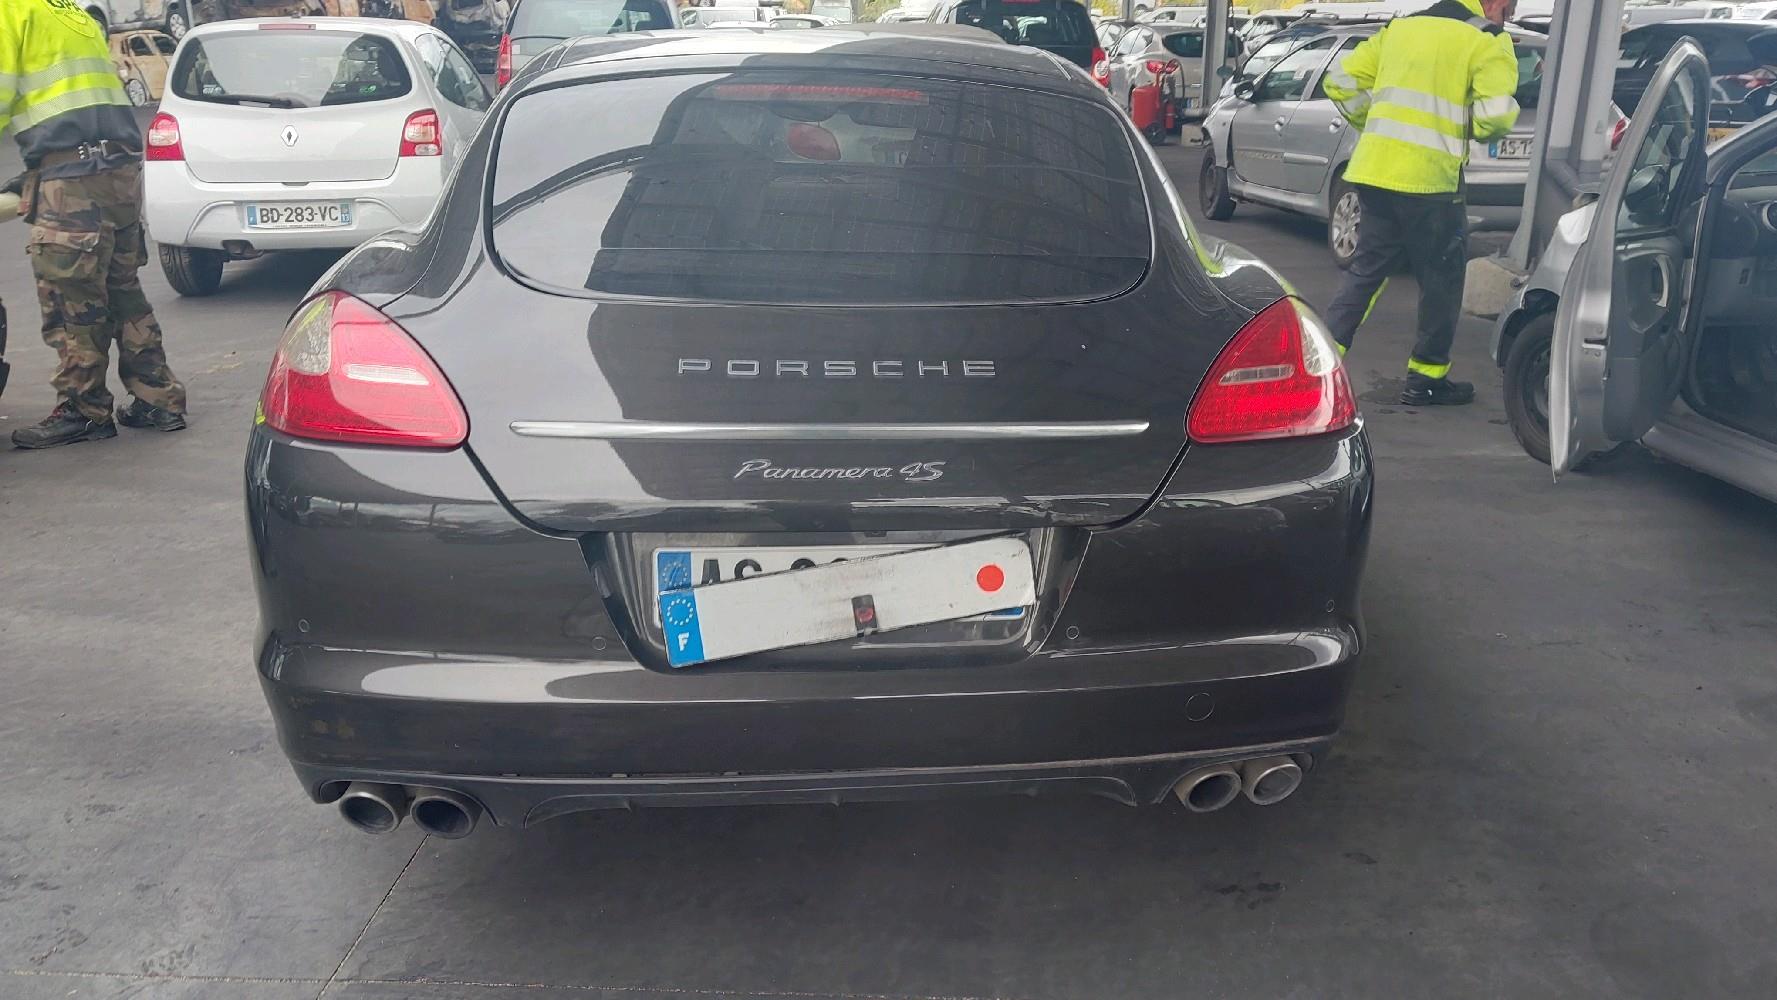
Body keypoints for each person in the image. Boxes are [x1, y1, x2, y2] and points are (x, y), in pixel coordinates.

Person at [2, 0, 188, 450]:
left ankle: (83, 410)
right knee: (122, 289)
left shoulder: (10, 12)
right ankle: (158, 399)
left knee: (72, 298)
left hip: (72, 179)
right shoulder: (70, 11)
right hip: (117, 171)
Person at [1321, 0, 1520, 406]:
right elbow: (1495, 118)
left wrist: (1372, 124)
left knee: (1366, 273)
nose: (1506, 19)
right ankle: (1426, 378)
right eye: (1508, 11)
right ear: (1495, 2)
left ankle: (1317, 364)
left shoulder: (1401, 29)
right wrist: (1466, 128)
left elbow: (1339, 81)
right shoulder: (1486, 39)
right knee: (1441, 281)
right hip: (1432, 181)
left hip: (1376, 170)